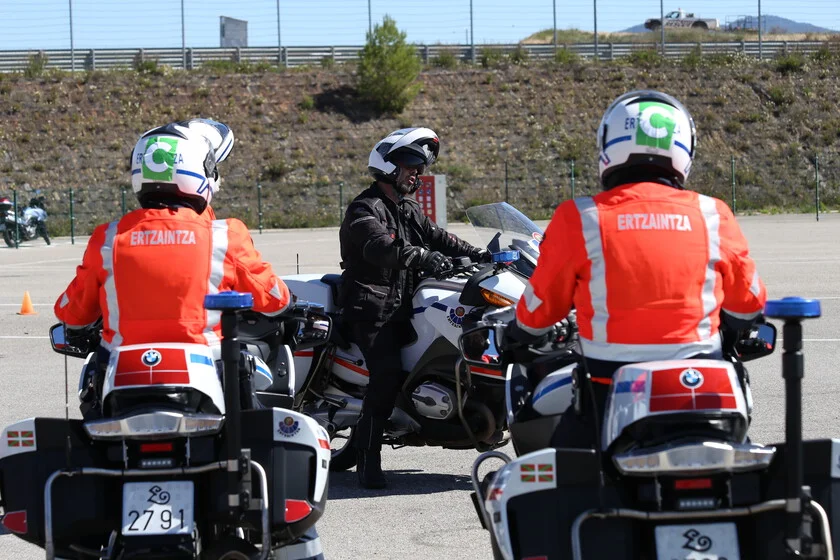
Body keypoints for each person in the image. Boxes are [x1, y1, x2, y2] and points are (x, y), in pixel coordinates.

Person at [54, 119, 326, 560]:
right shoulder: (223, 234)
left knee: (92, 465)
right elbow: (275, 299)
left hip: (123, 392)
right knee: (275, 487)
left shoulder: (107, 238)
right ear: (201, 173)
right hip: (208, 387)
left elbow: (70, 312)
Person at [507, 90, 767, 449]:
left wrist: (517, 333)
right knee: (743, 464)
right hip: (701, 385)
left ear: (608, 145)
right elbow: (749, 305)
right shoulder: (713, 214)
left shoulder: (580, 218)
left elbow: (536, 313)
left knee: (560, 482)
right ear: (684, 148)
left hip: (607, 389)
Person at [338, 127, 491, 488]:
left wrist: (480, 254)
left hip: (401, 305)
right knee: (387, 375)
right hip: (371, 308)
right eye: (409, 167)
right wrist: (421, 256)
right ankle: (366, 457)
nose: (416, 175)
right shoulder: (365, 208)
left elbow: (441, 237)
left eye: (418, 169)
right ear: (388, 167)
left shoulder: (406, 209)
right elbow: (380, 247)